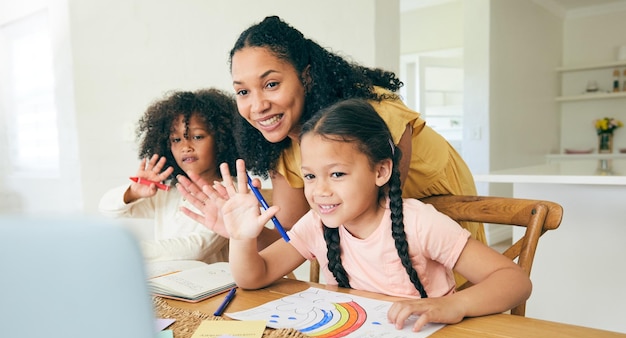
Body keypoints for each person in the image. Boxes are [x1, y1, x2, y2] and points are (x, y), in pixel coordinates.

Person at [187, 99, 530, 332]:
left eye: (337, 174)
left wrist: (455, 306)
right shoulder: (317, 225)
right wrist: (241, 237)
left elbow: (514, 281)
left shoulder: (418, 222)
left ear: (381, 171)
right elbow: (254, 276)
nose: (320, 190)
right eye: (310, 176)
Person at [177, 15, 485, 253]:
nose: (257, 105)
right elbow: (287, 238)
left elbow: (378, 218)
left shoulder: (373, 115)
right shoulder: (281, 147)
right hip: (379, 266)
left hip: (440, 230)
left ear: (306, 76)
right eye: (243, 91)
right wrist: (240, 231)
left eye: (271, 84)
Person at [99, 89, 238, 264]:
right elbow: (107, 208)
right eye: (176, 140)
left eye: (197, 136)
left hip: (215, 288)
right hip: (171, 285)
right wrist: (133, 192)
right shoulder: (168, 192)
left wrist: (132, 249)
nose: (186, 147)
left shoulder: (231, 193)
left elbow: (198, 248)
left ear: (222, 139)